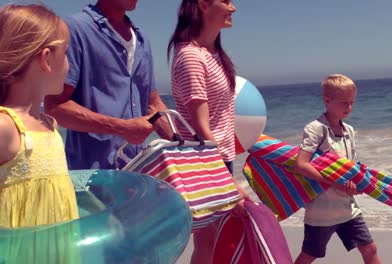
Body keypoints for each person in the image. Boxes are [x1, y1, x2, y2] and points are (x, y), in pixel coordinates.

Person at [44, 0, 171, 170]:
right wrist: (122, 128)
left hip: (138, 173)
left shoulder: (142, 40)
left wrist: (181, 146)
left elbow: (153, 104)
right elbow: (55, 107)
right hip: (91, 177)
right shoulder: (74, 29)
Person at [167, 0, 249, 263]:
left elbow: (221, 116)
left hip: (220, 158)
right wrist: (227, 182)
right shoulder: (191, 55)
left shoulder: (213, 53)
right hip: (205, 163)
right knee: (209, 241)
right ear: (202, 4)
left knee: (211, 241)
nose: (233, 7)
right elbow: (201, 128)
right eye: (225, 1)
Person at [0, 4, 79, 263]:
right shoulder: (6, 127)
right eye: (66, 53)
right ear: (46, 59)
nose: (69, 64)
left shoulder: (49, 124)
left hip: (57, 252)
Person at [293, 74, 382, 264]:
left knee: (369, 248)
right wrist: (337, 184)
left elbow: (349, 168)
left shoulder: (349, 130)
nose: (349, 108)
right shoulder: (316, 129)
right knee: (310, 255)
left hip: (347, 208)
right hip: (321, 211)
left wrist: (357, 186)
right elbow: (301, 165)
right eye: (344, 103)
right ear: (327, 100)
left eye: (352, 103)